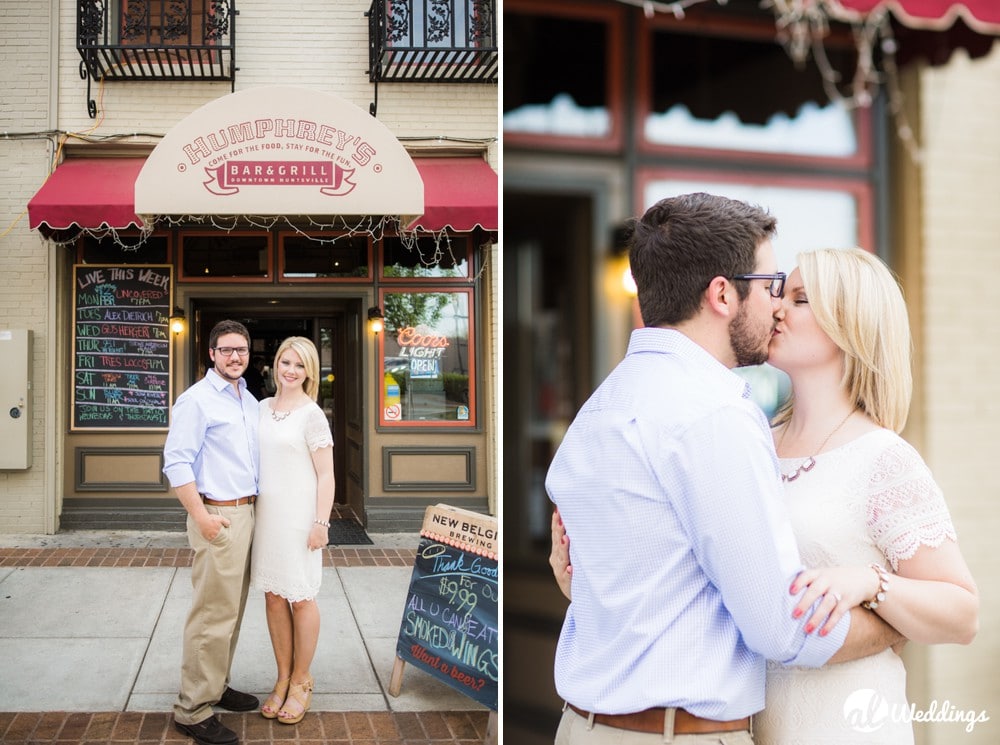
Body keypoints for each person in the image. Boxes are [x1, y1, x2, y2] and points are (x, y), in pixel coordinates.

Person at [544, 193, 901, 745]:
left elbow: (610, 578)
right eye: (769, 286)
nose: (777, 306)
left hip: (580, 727)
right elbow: (780, 627)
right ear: (722, 294)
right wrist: (890, 625)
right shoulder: (716, 415)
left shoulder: (599, 408)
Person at [753, 247, 978, 743]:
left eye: (801, 298)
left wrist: (871, 582)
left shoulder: (883, 460)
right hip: (749, 727)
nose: (777, 309)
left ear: (848, 326)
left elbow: (963, 614)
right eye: (779, 294)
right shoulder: (751, 445)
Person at [163, 320, 260, 745]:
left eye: (241, 350)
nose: (235, 356)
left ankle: (215, 686)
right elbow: (177, 463)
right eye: (227, 350)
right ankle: (191, 708)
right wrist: (202, 517)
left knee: (231, 610)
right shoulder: (197, 401)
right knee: (210, 614)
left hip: (248, 514)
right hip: (217, 515)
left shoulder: (248, 398)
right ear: (211, 354)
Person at [250, 336, 336, 725]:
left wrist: (321, 523)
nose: (290, 370)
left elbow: (327, 475)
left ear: (309, 371)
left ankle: (302, 681)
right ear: (275, 365)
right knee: (272, 596)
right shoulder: (262, 408)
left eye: (299, 365)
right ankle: (282, 677)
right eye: (285, 362)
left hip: (301, 519)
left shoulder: (312, 414)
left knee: (301, 598)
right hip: (267, 517)